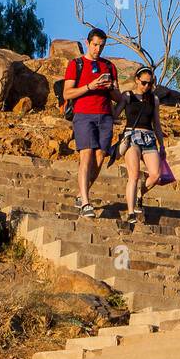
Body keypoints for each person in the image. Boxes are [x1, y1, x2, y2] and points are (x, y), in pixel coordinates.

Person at [62, 28, 119, 218]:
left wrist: (112, 88)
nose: (98, 49)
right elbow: (67, 93)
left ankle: (80, 195)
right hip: (83, 114)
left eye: (101, 46)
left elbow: (117, 96)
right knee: (86, 155)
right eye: (95, 45)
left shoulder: (109, 66)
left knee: (100, 156)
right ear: (87, 43)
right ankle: (86, 202)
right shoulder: (76, 64)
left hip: (105, 115)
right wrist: (90, 86)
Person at [114, 67, 165, 224]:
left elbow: (156, 123)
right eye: (143, 83)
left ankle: (138, 194)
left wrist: (162, 145)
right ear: (137, 79)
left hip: (149, 137)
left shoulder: (154, 99)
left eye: (150, 84)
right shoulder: (128, 96)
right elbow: (115, 114)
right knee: (134, 174)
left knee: (156, 175)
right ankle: (131, 212)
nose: (146, 86)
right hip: (132, 136)